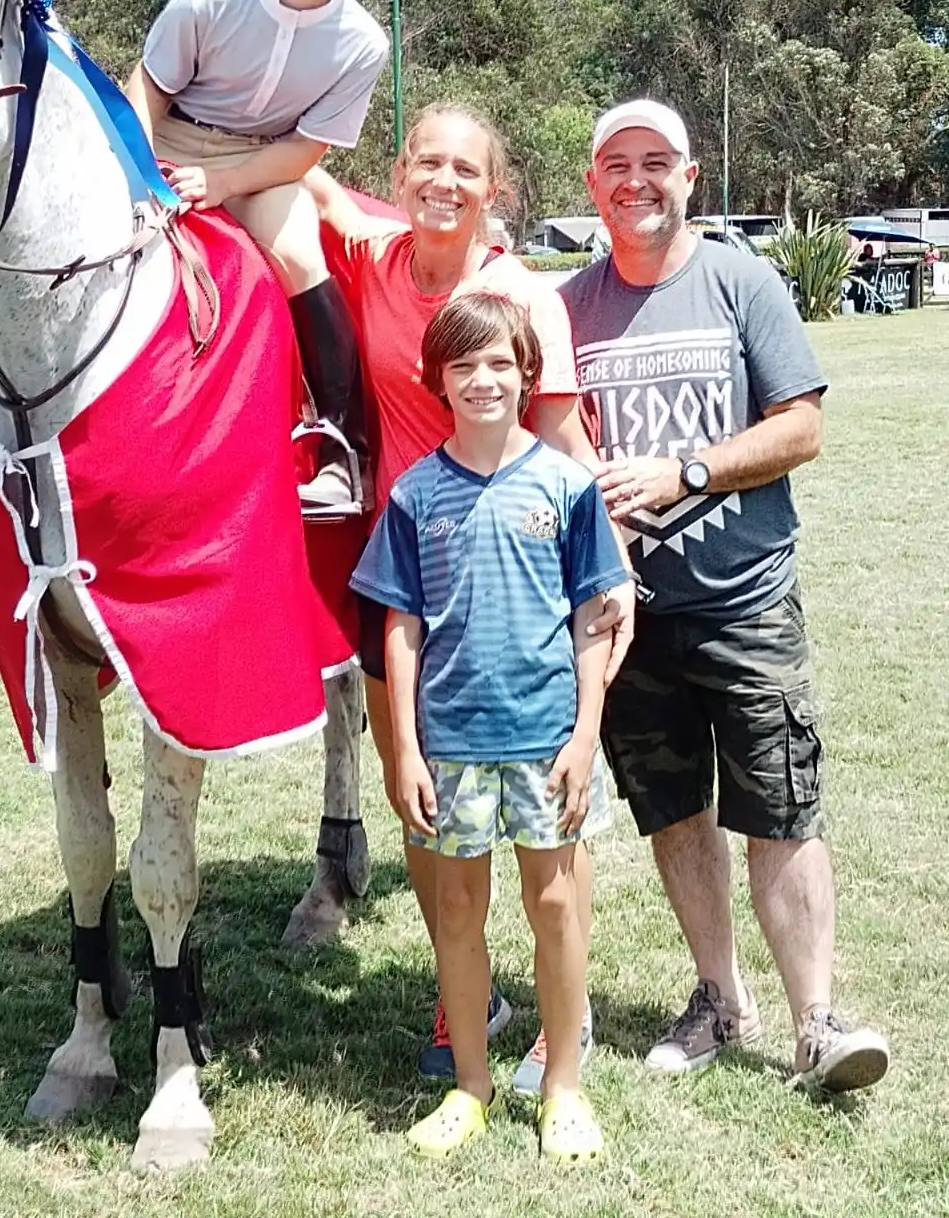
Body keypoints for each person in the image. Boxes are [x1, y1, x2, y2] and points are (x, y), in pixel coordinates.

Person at [559, 97, 891, 1093]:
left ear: (690, 177)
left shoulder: (741, 279)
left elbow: (801, 428)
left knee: (779, 810)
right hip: (631, 617)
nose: (637, 180)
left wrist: (688, 472)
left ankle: (817, 1021)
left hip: (745, 603)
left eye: (658, 161)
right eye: (617, 163)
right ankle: (719, 995)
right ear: (592, 185)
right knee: (673, 813)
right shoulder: (569, 305)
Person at [306, 102, 635, 1085]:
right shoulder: (372, 256)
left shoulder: (521, 298)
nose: (443, 182)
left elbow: (569, 446)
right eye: (426, 163)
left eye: (465, 169)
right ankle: (471, 1000)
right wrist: (178, 144)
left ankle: (554, 1026)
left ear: (496, 189)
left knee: (547, 824)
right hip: (404, 573)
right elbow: (295, 176)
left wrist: (611, 570)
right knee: (422, 803)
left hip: (518, 586)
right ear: (400, 172)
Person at [351, 293, 630, 1159]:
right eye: (464, 365)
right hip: (453, 745)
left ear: (528, 374)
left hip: (547, 744)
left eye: (501, 364)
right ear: (436, 379)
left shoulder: (567, 487)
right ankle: (470, 1086)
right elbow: (400, 629)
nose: (483, 380)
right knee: (460, 908)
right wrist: (404, 748)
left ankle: (563, 1087)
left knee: (554, 904)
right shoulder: (414, 496)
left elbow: (594, 619)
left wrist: (585, 736)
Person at [124, 0, 388, 515]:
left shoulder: (363, 43)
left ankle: (340, 449)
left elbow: (304, 152)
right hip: (171, 141)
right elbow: (147, 95)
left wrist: (224, 185)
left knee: (302, 256)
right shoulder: (202, 3)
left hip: (265, 161)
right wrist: (143, 180)